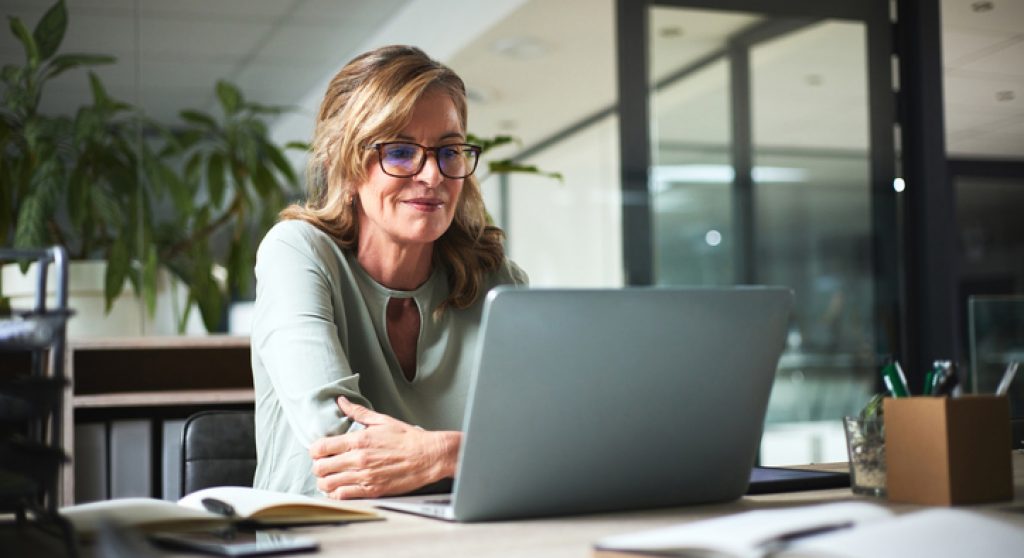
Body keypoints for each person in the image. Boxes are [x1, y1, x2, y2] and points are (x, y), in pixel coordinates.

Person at [250, 45, 528, 499]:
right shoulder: (297, 253)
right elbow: (343, 444)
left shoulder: (497, 282)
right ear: (346, 163)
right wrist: (476, 452)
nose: (432, 175)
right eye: (400, 151)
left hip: (462, 540)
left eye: (449, 151)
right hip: (314, 538)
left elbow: (542, 443)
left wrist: (439, 454)